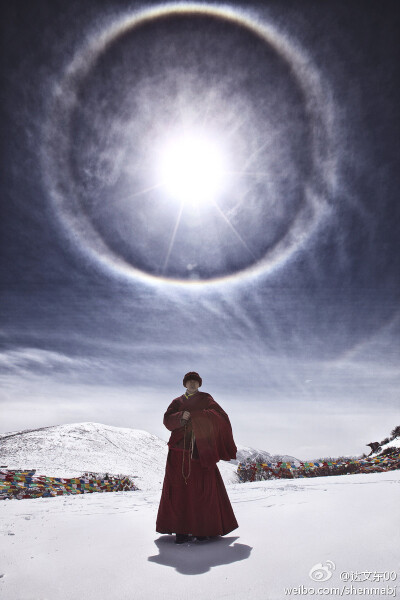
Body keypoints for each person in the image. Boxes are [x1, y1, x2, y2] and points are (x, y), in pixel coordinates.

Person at [156, 372, 239, 544]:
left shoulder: (207, 399)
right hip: (178, 452)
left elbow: (221, 417)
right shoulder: (177, 402)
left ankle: (203, 529)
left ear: (199, 384)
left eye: (195, 382)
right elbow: (166, 420)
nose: (192, 384)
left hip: (200, 451)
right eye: (189, 381)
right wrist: (180, 417)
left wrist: (198, 416)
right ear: (185, 384)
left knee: (202, 490)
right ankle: (181, 530)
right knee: (178, 491)